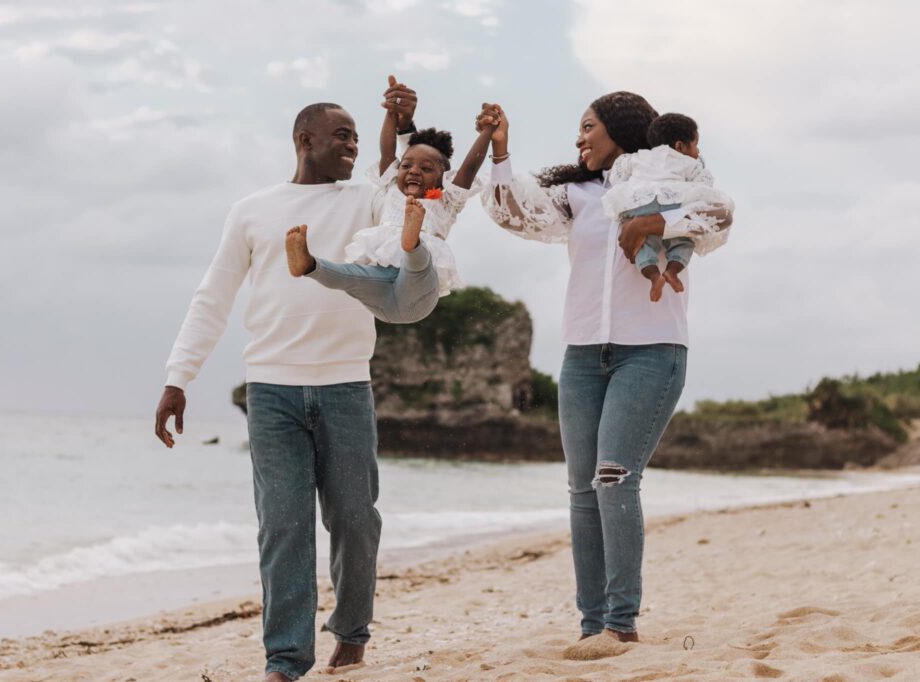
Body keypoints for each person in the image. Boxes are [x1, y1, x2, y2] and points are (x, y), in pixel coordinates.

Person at [154, 77, 420, 682]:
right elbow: (212, 298)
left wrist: (401, 126)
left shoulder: (364, 200)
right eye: (341, 135)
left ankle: (351, 631)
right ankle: (286, 659)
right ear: (305, 139)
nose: (352, 145)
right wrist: (179, 378)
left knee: (355, 518)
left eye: (356, 135)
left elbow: (401, 179)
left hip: (347, 386)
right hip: (271, 389)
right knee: (284, 526)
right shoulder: (251, 211)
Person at [478, 94, 734, 642]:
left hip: (652, 349)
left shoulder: (667, 186)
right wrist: (500, 151)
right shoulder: (576, 194)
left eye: (588, 128)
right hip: (580, 356)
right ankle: (591, 626)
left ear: (619, 130)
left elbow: (718, 215)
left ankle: (621, 625)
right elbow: (513, 213)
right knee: (581, 489)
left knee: (615, 478)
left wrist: (651, 222)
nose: (579, 140)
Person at [285, 92, 495, 323]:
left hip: (416, 294)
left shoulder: (446, 201)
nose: (414, 171)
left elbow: (470, 167)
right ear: (398, 171)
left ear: (442, 179)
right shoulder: (391, 188)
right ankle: (309, 265)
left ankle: (412, 242)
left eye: (425, 169)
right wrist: (390, 113)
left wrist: (488, 131)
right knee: (351, 275)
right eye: (406, 166)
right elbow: (388, 150)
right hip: (382, 294)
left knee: (419, 262)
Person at [600, 112, 730, 301]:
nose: (698, 152)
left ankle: (653, 276)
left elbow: (618, 174)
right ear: (680, 146)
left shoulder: (639, 157)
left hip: (639, 204)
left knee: (641, 245)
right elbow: (704, 186)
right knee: (683, 241)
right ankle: (672, 271)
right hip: (671, 206)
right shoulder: (689, 163)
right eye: (696, 145)